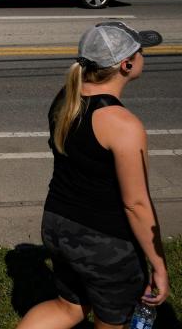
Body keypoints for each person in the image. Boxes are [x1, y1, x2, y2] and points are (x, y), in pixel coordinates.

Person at [17, 21, 171, 329]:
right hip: (103, 240)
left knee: (68, 307)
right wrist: (158, 265)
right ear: (126, 65)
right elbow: (136, 204)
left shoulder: (66, 98)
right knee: (112, 320)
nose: (144, 56)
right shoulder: (123, 125)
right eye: (140, 51)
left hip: (58, 222)